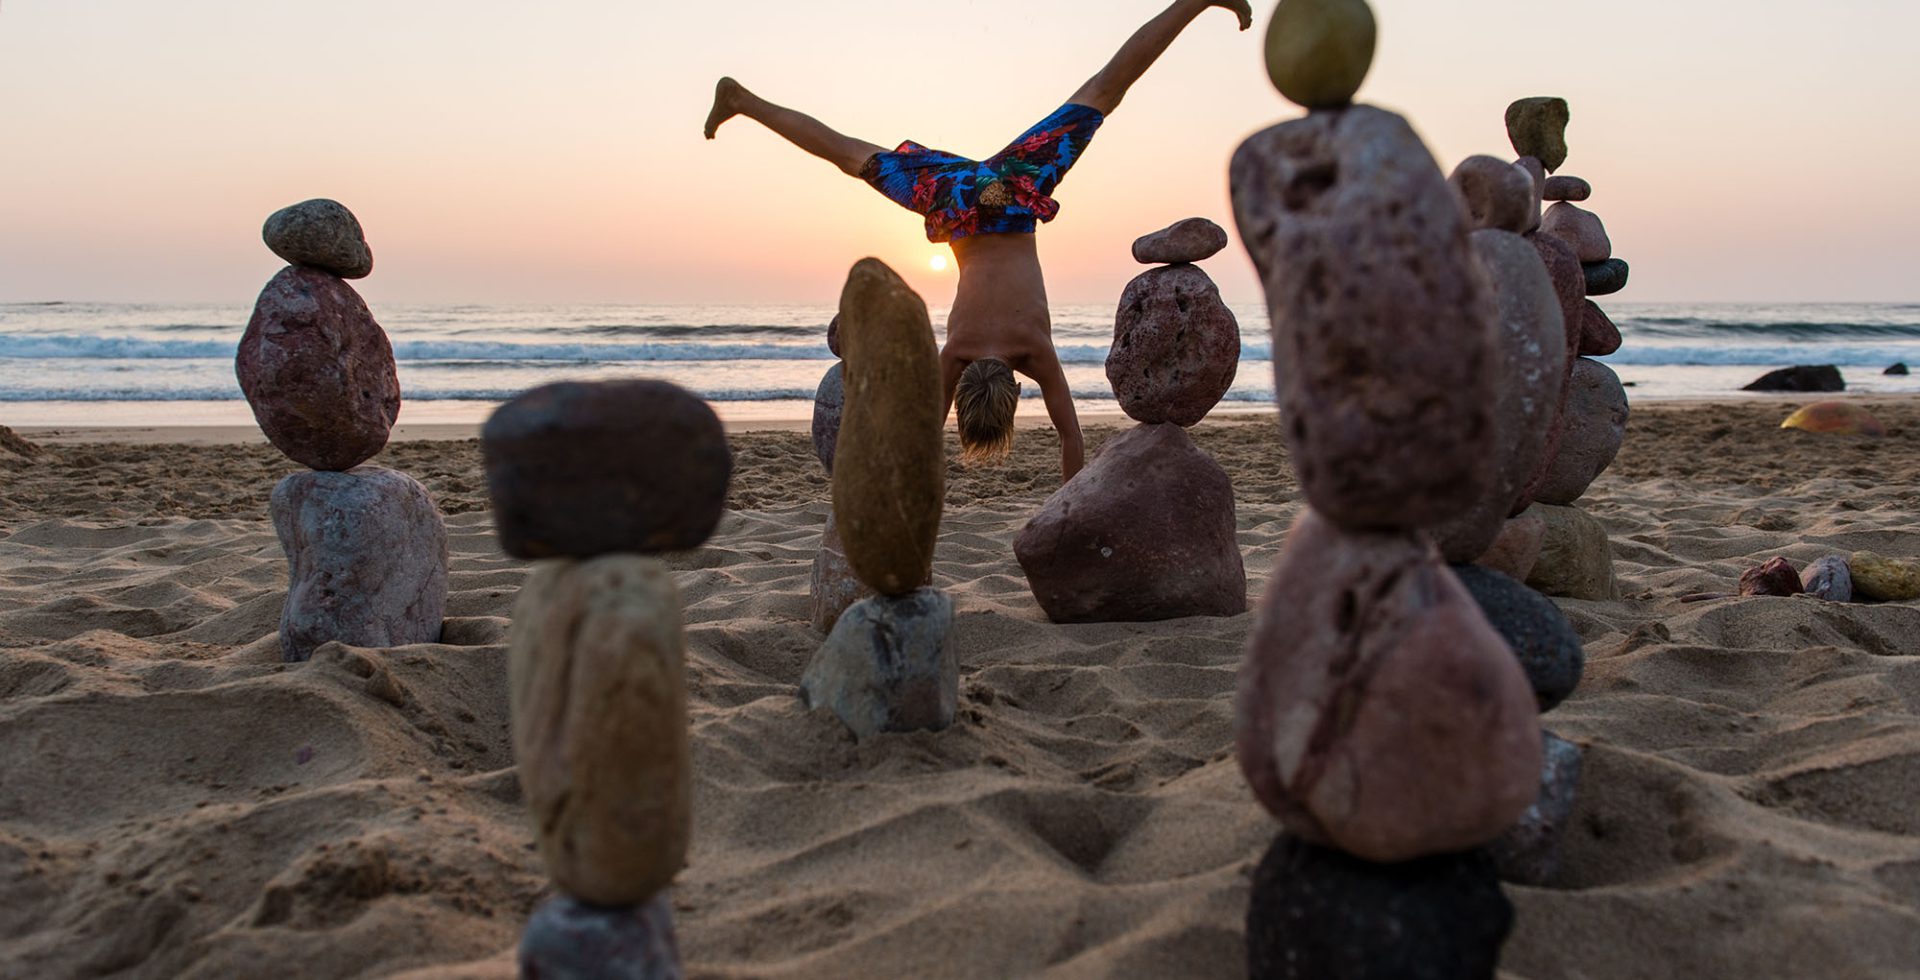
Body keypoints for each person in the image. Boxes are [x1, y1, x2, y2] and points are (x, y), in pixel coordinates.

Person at [706, 0, 1252, 480]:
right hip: (958, 202)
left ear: (1014, 396)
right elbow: (926, 445)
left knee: (1103, 92)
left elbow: (1070, 437)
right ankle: (745, 102)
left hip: (1010, 197)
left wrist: (1069, 495)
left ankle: (1194, 1)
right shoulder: (957, 353)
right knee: (851, 154)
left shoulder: (1031, 353)